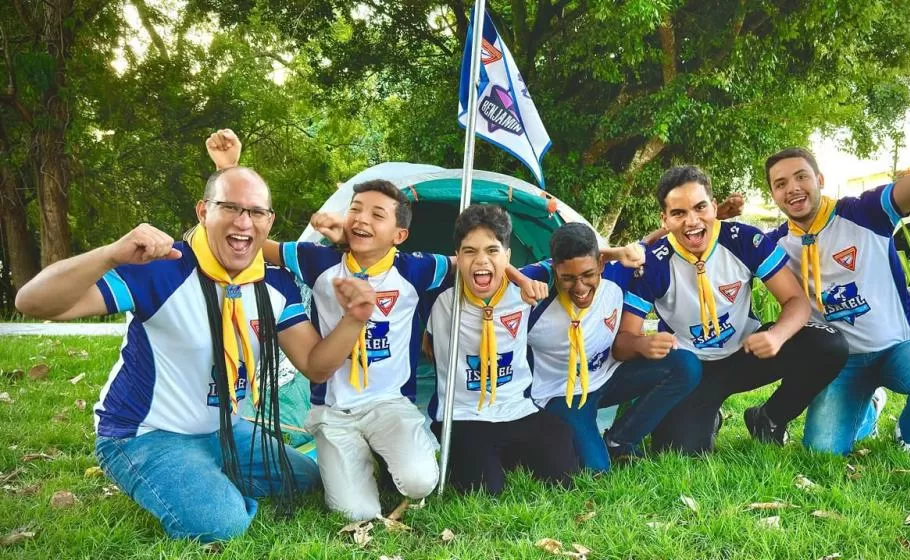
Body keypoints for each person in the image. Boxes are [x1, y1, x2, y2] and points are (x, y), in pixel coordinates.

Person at [15, 166, 375, 542]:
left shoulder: (274, 283)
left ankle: (204, 475)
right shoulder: (162, 268)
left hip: (226, 429)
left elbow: (315, 366)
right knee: (220, 524)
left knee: (309, 480)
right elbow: (31, 302)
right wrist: (109, 255)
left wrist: (354, 319)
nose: (244, 222)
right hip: (148, 434)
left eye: (256, 212)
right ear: (204, 211)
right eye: (230, 208)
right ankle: (187, 480)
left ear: (269, 221)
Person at [205, 130, 549, 518]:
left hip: (389, 404)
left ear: (399, 235)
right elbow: (248, 242)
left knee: (421, 480)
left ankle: (392, 453)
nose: (362, 219)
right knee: (356, 512)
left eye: (376, 214)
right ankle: (359, 460)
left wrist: (520, 279)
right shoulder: (317, 260)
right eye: (355, 210)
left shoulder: (416, 269)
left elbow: (476, 260)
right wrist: (229, 169)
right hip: (334, 410)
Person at [762, 109, 910, 461]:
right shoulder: (775, 245)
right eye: (780, 183)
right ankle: (870, 408)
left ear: (819, 179)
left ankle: (909, 434)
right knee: (822, 452)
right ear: (773, 194)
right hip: (842, 363)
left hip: (898, 346)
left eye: (801, 177)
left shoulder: (866, 212)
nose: (792, 188)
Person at [616, 165, 849, 455]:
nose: (692, 221)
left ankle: (770, 417)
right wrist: (642, 344)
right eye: (678, 213)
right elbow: (623, 342)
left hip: (747, 353)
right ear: (664, 219)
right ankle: (708, 416)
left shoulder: (742, 239)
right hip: (693, 369)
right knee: (677, 451)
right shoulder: (653, 262)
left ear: (714, 207)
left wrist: (776, 335)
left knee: (828, 345)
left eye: (700, 207)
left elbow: (796, 300)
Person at [522, 223, 702, 471]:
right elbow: (494, 271)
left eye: (588, 275)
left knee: (686, 366)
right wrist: (521, 279)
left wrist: (715, 217)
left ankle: (620, 440)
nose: (580, 287)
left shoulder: (617, 272)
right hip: (562, 393)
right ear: (555, 269)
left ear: (600, 264)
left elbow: (647, 245)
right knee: (596, 470)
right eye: (568, 278)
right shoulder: (534, 291)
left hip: (610, 376)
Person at [426, 204, 580, 494]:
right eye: (469, 251)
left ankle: (503, 455)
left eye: (492, 251)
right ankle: (483, 460)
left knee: (563, 467)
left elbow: (568, 260)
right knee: (486, 490)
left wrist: (618, 253)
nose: (481, 260)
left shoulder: (528, 286)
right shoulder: (438, 294)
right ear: (457, 257)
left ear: (508, 256)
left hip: (516, 409)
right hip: (463, 414)